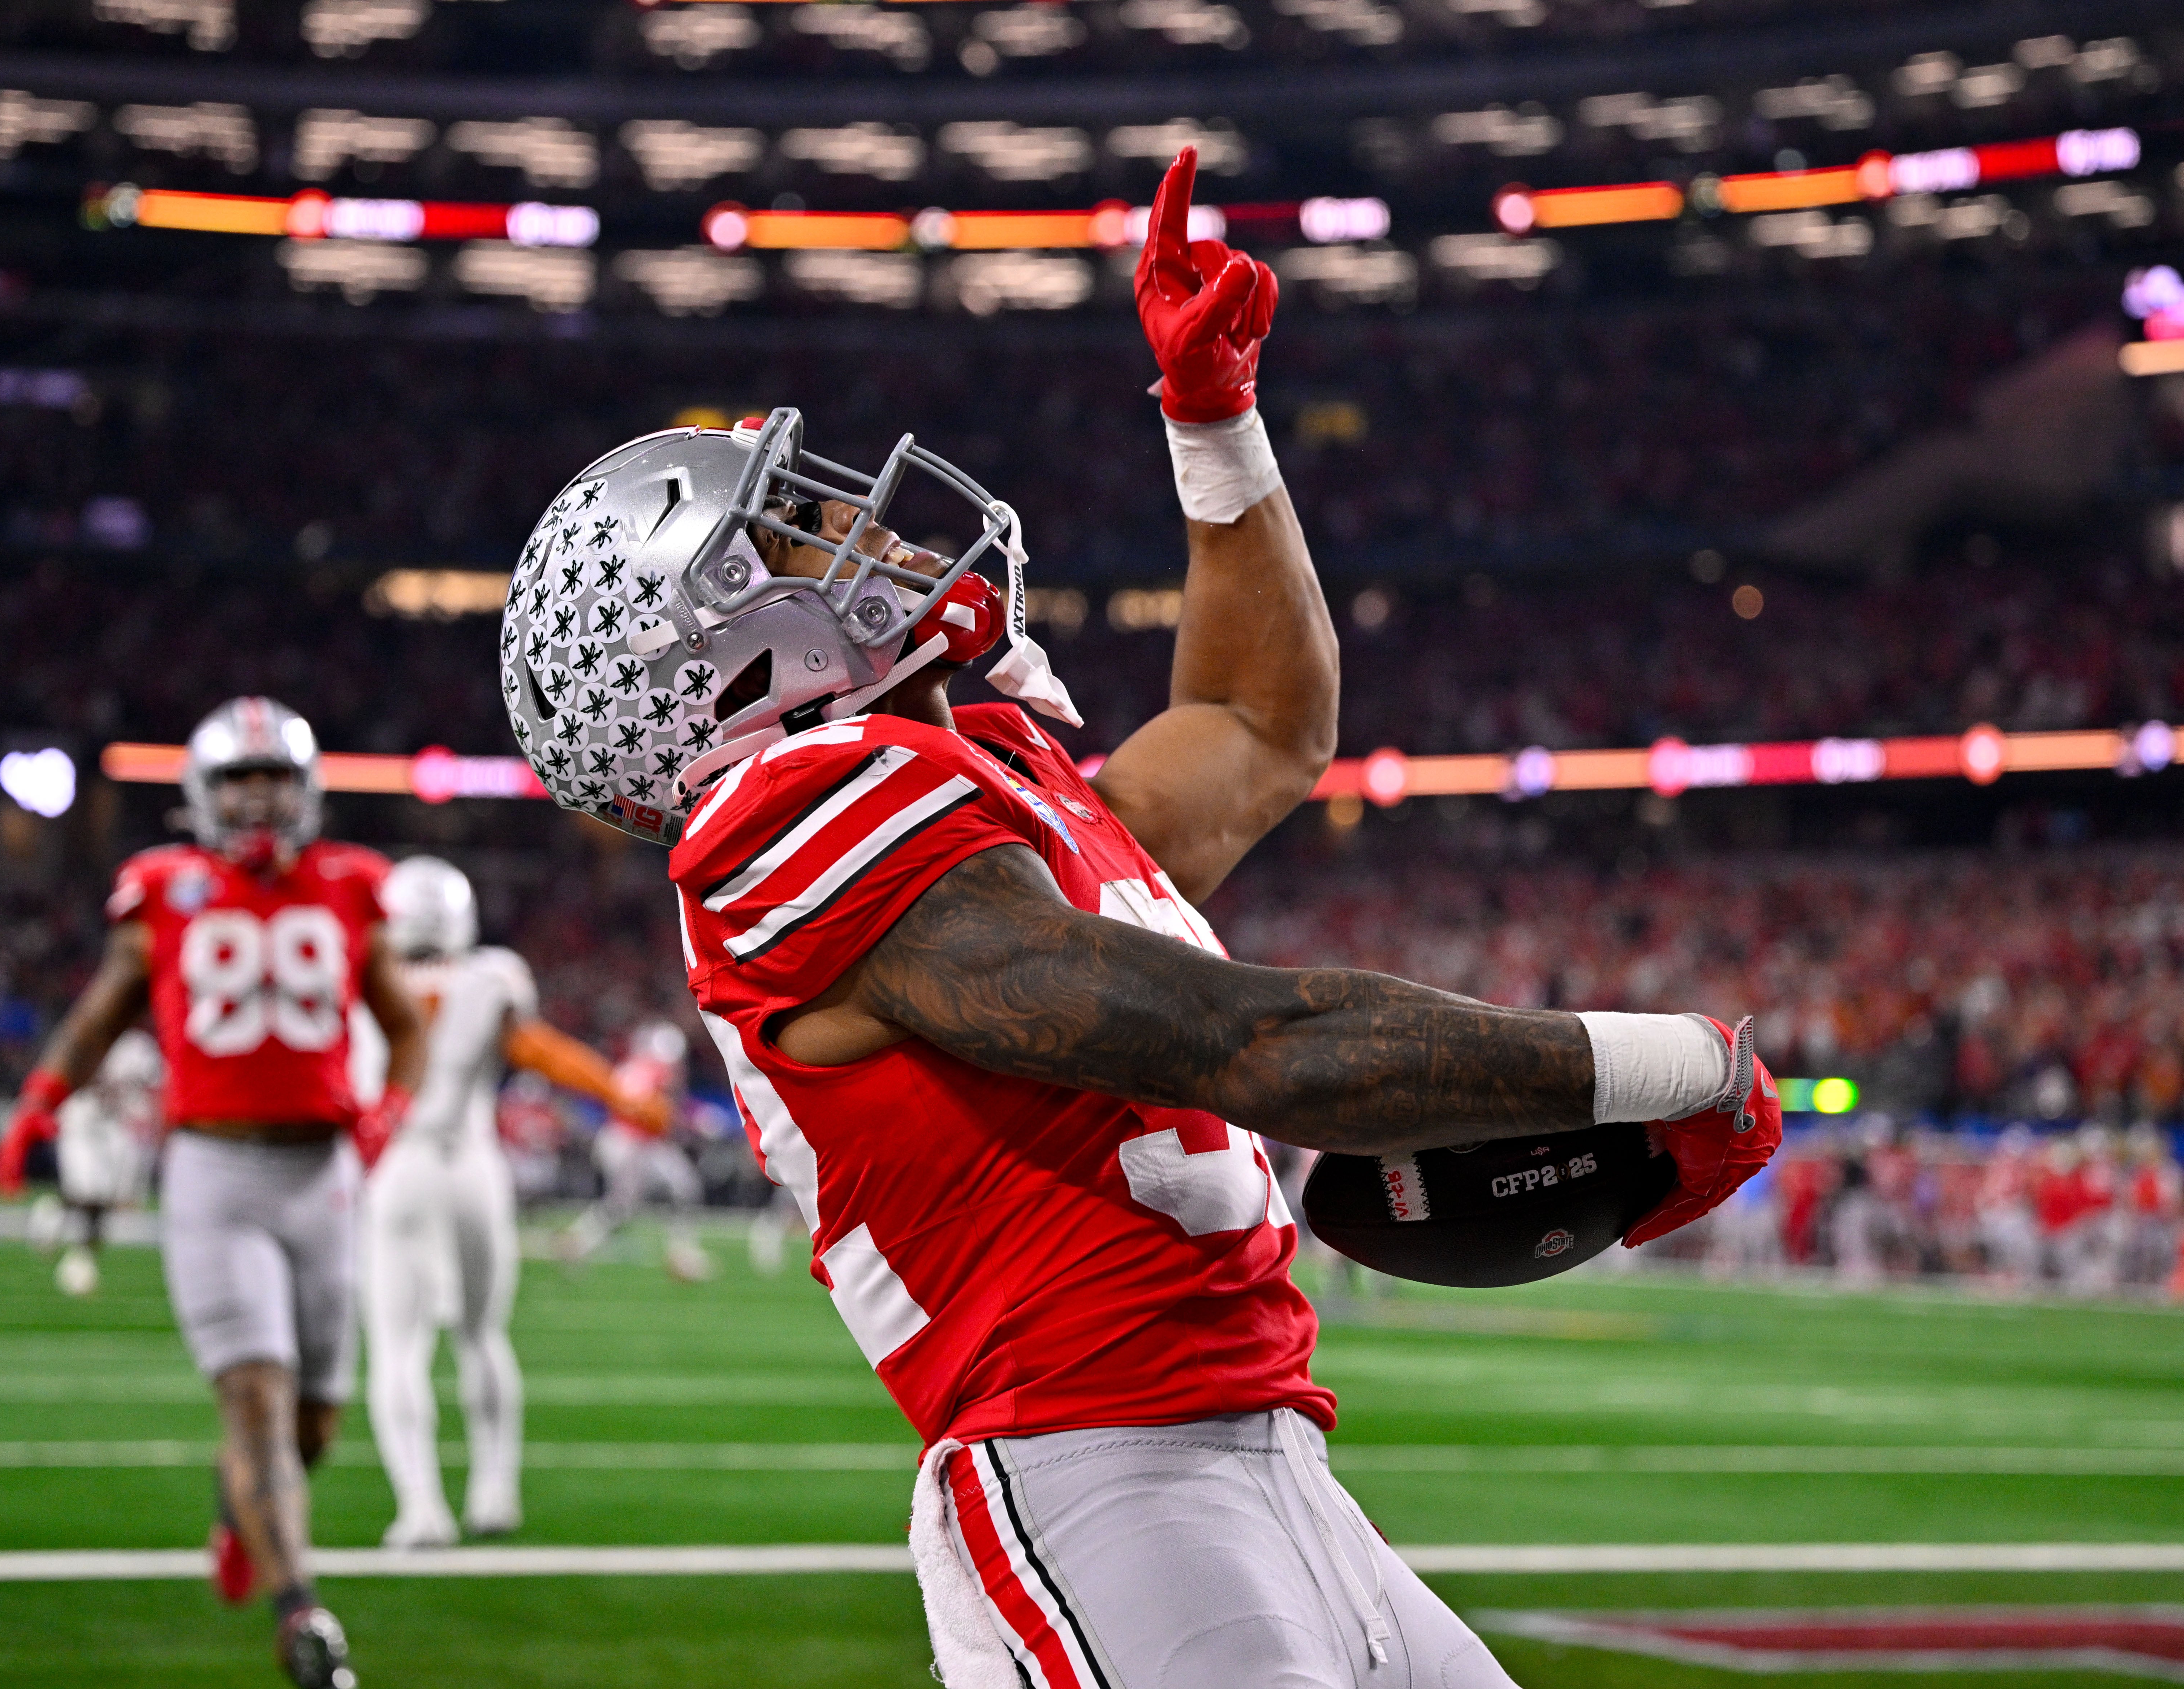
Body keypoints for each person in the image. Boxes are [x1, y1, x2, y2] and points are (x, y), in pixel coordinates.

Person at [501, 148, 1778, 1689]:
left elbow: (1258, 722)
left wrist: (1216, 429)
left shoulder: (985, 780)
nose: (857, 525)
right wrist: (1675, 1062)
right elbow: (1250, 1045)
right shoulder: (790, 812)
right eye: (790, 538)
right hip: (1090, 1474)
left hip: (1277, 1466)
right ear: (724, 661)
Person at [0, 696, 424, 1689]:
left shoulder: (353, 886)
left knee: (313, 1424)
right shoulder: (164, 890)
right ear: (203, 796)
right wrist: (40, 1103)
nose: (261, 801)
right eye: (240, 784)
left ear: (307, 791)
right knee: (257, 1400)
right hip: (216, 1174)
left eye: (275, 781)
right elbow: (102, 1013)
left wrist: (388, 1110)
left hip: (321, 1177)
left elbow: (407, 1027)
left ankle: (242, 1516)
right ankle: (300, 1615)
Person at [362, 854, 665, 1548]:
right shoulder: (488, 976)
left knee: (399, 1350)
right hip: (473, 1165)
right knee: (481, 1336)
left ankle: (421, 1509)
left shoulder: (361, 970)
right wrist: (621, 1094)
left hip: (400, 1165)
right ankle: (494, 1493)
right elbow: (540, 1051)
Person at [555, 1018, 715, 1283]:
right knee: (633, 1202)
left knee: (679, 1188)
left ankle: (681, 1253)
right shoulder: (656, 1071)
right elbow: (660, 1113)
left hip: (627, 1140)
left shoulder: (633, 1067)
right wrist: (697, 1120)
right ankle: (579, 1241)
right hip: (633, 1142)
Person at [44, 1029, 164, 1296]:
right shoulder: (89, 1035)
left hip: (114, 1126)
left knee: (110, 1199)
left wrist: (148, 1119)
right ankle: (75, 1250)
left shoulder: (139, 1047)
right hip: (80, 1121)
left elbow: (156, 1088)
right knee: (88, 1193)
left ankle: (73, 1239)